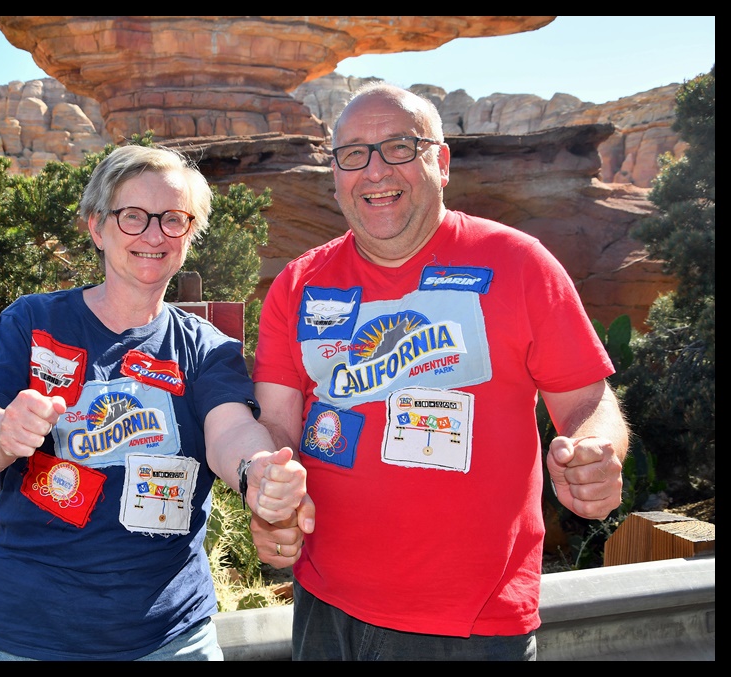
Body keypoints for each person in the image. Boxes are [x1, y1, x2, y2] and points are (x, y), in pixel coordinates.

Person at [249, 82, 629, 661]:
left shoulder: (519, 264)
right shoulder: (299, 284)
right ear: (335, 173)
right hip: (324, 603)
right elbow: (278, 425)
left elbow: (587, 401)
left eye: (399, 147)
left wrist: (596, 452)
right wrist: (269, 488)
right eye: (353, 154)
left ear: (442, 162)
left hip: (470, 624)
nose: (375, 171)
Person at [0, 144, 305, 661]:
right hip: (31, 633)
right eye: (133, 216)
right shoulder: (34, 322)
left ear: (189, 235)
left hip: (172, 638)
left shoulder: (206, 348)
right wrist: (3, 429)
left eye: (173, 219)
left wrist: (258, 471)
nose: (154, 235)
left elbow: (230, 430)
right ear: (98, 227)